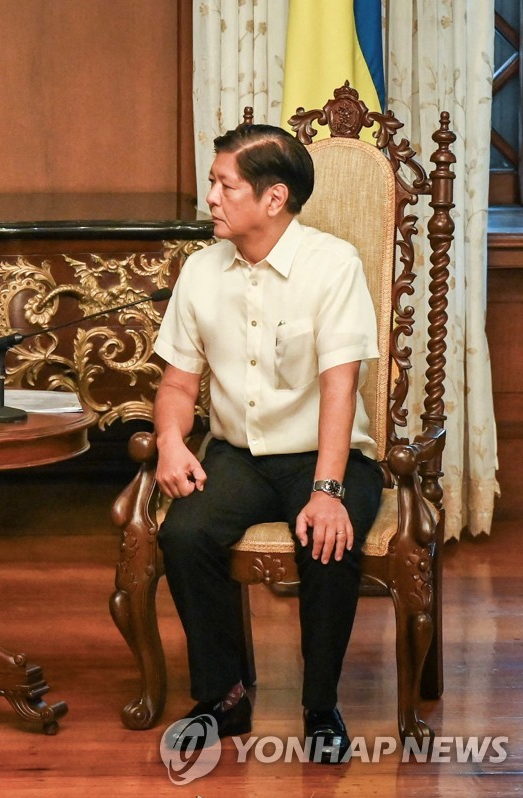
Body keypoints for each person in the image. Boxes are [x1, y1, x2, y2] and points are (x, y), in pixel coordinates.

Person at [153, 124, 382, 764]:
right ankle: (224, 697)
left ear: (273, 197)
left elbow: (341, 388)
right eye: (213, 182)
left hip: (327, 454)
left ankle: (320, 706)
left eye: (225, 185)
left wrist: (329, 491)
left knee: (327, 539)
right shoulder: (201, 271)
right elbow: (176, 381)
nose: (212, 198)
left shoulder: (333, 265)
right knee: (184, 533)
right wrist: (172, 441)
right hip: (240, 455)